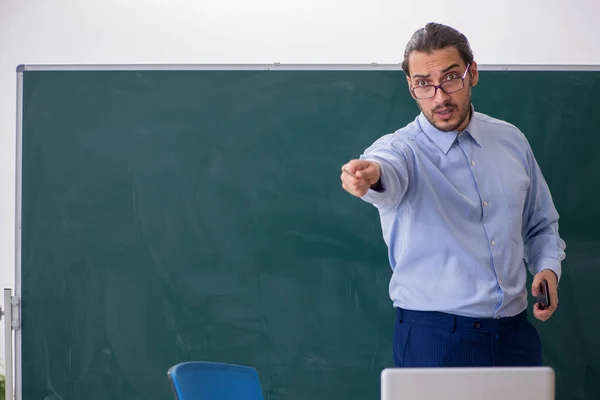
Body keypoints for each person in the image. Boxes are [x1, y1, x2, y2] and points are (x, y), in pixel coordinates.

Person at [340, 22, 566, 368]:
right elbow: (388, 173)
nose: (440, 96)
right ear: (410, 87)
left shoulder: (511, 141)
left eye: (450, 78)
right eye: (423, 84)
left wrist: (547, 268)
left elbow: (539, 223)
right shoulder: (401, 150)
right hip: (436, 338)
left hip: (515, 334)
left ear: (472, 73)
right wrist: (372, 177)